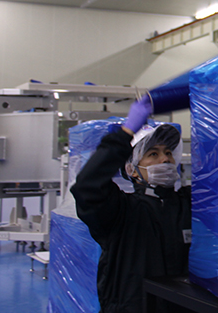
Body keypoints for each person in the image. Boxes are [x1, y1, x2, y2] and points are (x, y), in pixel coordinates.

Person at [71, 97, 192, 313]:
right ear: (131, 169)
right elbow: (87, 186)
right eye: (153, 154)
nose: (165, 159)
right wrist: (125, 134)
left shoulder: (188, 204)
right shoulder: (120, 211)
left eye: (168, 153)